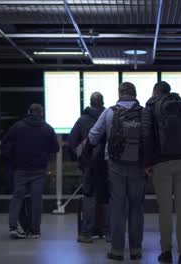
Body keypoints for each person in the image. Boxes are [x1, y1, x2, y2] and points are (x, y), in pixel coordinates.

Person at [142, 81, 181, 264]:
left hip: (161, 164)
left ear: (155, 92)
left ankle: (166, 252)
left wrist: (147, 162)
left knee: (165, 210)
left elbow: (146, 135)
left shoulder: (151, 107)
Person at [88, 82, 145, 261]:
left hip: (115, 164)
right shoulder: (144, 113)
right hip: (139, 165)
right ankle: (136, 250)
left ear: (119, 93)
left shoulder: (110, 112)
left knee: (118, 207)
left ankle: (117, 251)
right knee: (137, 207)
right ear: (135, 93)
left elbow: (93, 136)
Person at [2, 103, 59, 239]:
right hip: (39, 170)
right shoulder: (47, 128)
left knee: (17, 197)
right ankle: (35, 231)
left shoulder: (18, 126)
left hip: (20, 169)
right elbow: (55, 148)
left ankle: (13, 227)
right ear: (42, 113)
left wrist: (13, 157)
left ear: (29, 112)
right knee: (36, 200)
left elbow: (5, 144)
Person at [68, 92, 109, 243]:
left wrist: (78, 160)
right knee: (106, 197)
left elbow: (71, 142)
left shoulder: (82, 120)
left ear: (90, 103)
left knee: (89, 197)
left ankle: (87, 233)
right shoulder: (108, 117)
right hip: (106, 164)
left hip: (89, 165)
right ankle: (107, 232)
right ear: (102, 102)